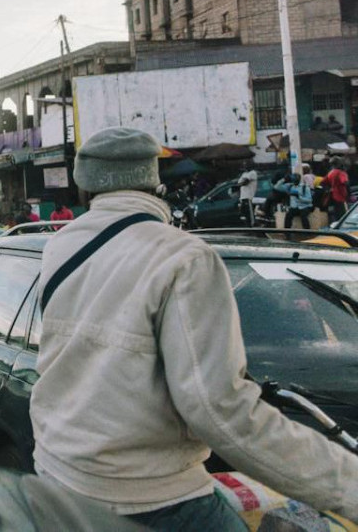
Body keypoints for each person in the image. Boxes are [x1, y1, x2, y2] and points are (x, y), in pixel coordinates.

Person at [30, 127, 358, 528]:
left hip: (58, 476)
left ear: (84, 186)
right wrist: (347, 487)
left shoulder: (60, 246)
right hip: (150, 499)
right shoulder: (183, 257)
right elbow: (219, 410)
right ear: (155, 180)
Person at [321, 157, 351, 224]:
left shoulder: (330, 173)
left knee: (336, 214)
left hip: (332, 197)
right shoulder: (341, 173)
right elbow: (346, 182)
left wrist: (329, 188)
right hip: (341, 197)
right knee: (344, 215)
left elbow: (323, 182)